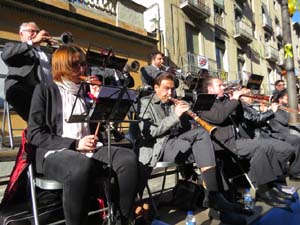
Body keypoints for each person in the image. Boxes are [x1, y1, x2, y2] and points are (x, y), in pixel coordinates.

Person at [26, 45, 138, 225]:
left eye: (84, 64)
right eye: (76, 65)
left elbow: (100, 126)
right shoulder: (45, 90)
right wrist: (75, 144)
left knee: (128, 158)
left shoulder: (85, 91)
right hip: (55, 152)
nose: (82, 69)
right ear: (62, 67)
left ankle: (122, 219)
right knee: (79, 165)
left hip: (90, 148)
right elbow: (35, 133)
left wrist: (98, 101)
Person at [138, 72, 249, 215]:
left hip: (177, 143)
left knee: (208, 144)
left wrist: (185, 114)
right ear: (156, 87)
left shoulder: (173, 103)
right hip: (158, 147)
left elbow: (183, 130)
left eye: (172, 89)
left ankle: (219, 199)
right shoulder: (145, 103)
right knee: (204, 142)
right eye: (166, 88)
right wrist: (175, 116)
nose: (170, 92)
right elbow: (149, 133)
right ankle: (217, 199)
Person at [198, 76, 291, 207]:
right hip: (223, 142)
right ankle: (262, 191)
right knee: (258, 147)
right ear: (210, 88)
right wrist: (234, 99)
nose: (223, 87)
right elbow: (219, 117)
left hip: (237, 138)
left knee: (267, 146)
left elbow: (239, 116)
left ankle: (270, 186)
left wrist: (239, 100)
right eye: (219, 85)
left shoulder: (223, 100)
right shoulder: (204, 103)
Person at [1, 22, 53, 122]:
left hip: (47, 93)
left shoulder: (47, 54)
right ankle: (37, 129)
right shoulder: (13, 46)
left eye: (37, 32)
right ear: (21, 34)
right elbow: (6, 55)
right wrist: (32, 42)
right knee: (40, 120)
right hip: (24, 90)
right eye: (31, 31)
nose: (36, 34)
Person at [268, 90, 300, 180]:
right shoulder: (276, 108)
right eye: (287, 99)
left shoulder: (285, 107)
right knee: (296, 140)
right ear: (280, 99)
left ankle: (296, 169)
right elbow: (285, 121)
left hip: (286, 132)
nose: (290, 101)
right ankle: (295, 171)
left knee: (296, 138)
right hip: (278, 134)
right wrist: (293, 112)